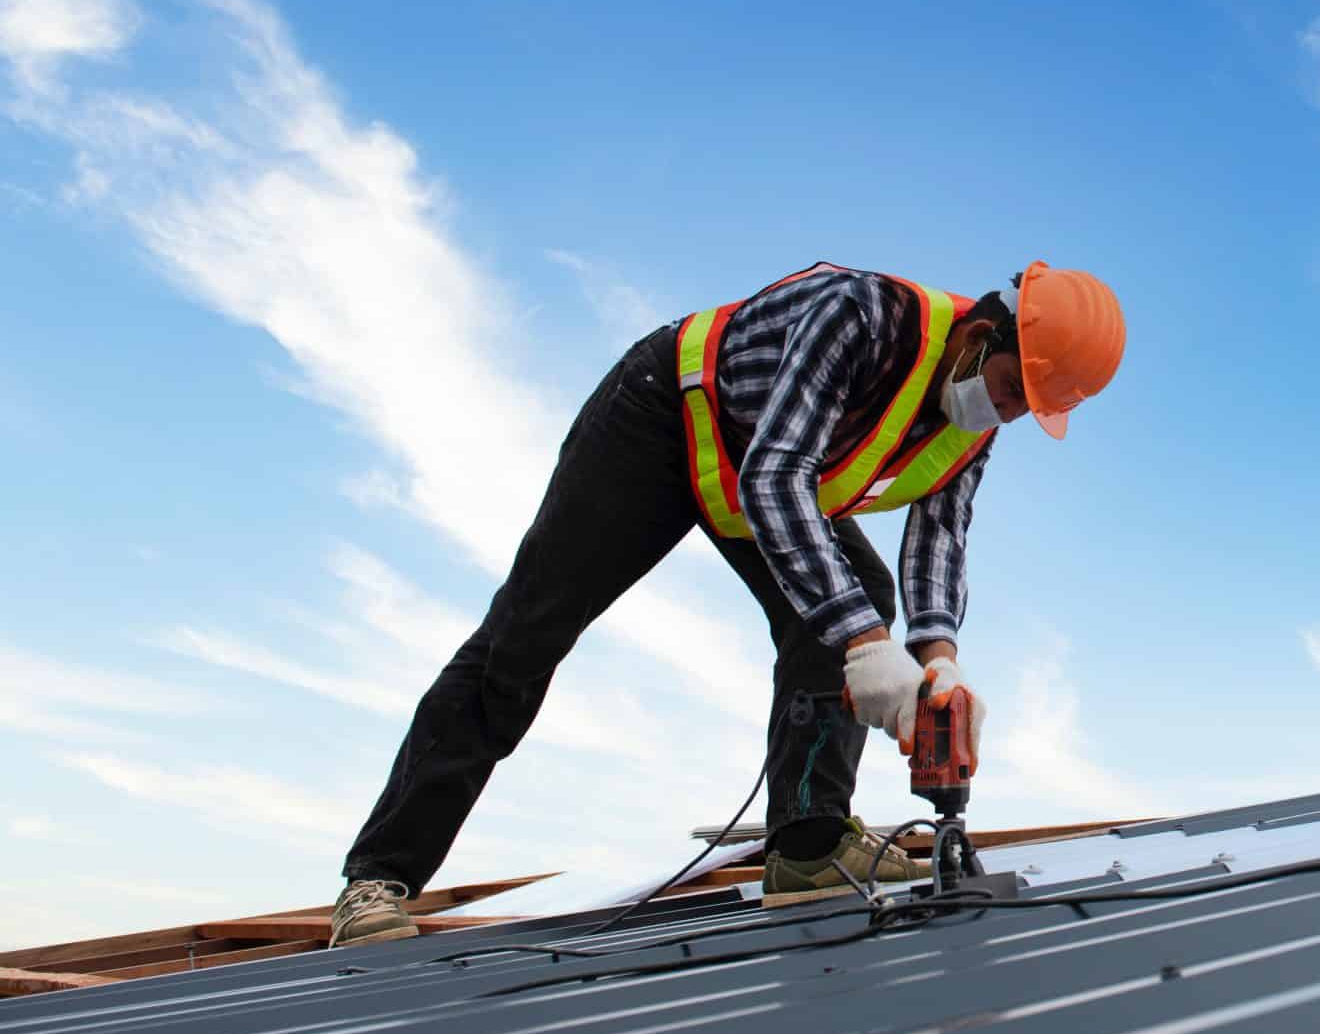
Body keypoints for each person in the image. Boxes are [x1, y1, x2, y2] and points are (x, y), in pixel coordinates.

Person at [325, 259, 1126, 946]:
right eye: (1009, 387)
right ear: (983, 334)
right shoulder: (864, 316)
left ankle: (808, 845)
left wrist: (938, 663)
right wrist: (867, 644)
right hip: (665, 417)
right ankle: (378, 878)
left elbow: (940, 540)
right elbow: (778, 475)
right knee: (528, 633)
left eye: (1028, 406)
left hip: (762, 473)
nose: (1007, 411)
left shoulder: (972, 428)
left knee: (860, 597)